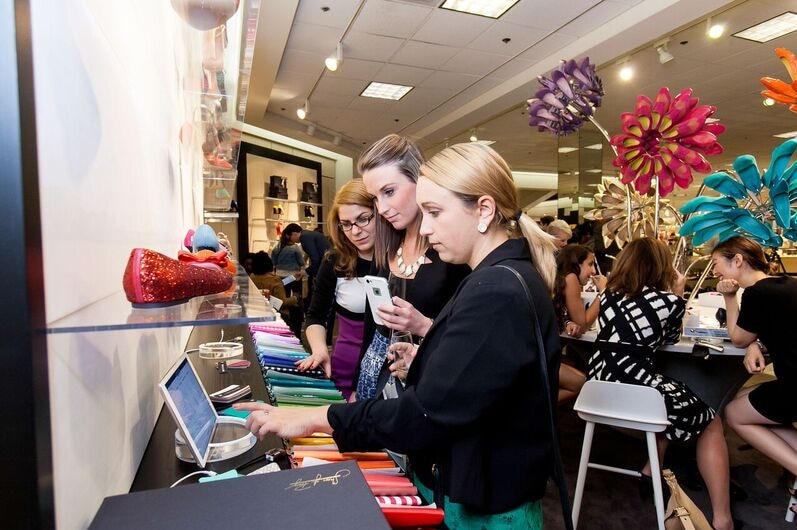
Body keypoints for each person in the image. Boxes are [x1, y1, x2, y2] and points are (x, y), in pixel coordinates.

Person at [236, 142, 561, 529]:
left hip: (488, 503)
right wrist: (425, 360)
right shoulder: (496, 277)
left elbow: (426, 414)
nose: (424, 227)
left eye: (435, 213)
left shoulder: (495, 289)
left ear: (484, 210)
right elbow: (478, 381)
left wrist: (313, 420)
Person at [587, 237, 733, 530]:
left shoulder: (608, 295)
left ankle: (650, 470)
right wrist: (677, 295)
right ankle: (722, 519)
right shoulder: (668, 301)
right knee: (711, 421)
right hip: (637, 390)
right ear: (661, 267)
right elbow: (667, 341)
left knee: (666, 399)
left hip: (597, 388)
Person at [354, 134, 469, 400]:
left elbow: (469, 342)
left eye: (389, 191)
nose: (382, 208)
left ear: (420, 180)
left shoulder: (450, 253)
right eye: (375, 198)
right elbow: (371, 329)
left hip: (428, 388)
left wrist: (424, 325)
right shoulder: (384, 248)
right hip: (375, 385)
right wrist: (356, 387)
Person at [717, 237, 797, 499]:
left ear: (737, 261)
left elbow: (738, 338)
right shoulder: (787, 285)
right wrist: (758, 343)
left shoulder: (756, 293)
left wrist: (729, 297)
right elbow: (775, 327)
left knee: (733, 413)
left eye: (717, 264)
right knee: (743, 399)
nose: (715, 271)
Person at [296, 180, 376, 399]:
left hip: (389, 378)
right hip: (344, 370)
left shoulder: (401, 260)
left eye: (363, 219)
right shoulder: (334, 261)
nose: (355, 231)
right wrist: (320, 349)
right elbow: (315, 317)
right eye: (346, 224)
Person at [552, 244, 607, 403]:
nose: (593, 271)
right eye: (590, 264)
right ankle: (533, 410)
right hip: (538, 358)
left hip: (540, 354)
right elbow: (582, 325)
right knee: (583, 383)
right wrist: (603, 293)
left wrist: (567, 321)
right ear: (576, 264)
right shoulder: (571, 278)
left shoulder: (562, 278)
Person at [249, 250, 302, 336]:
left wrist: (292, 278)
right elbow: (281, 303)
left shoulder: (252, 277)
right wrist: (295, 298)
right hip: (278, 315)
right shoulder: (274, 279)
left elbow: (275, 284)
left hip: (259, 312)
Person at [299, 226, 332, 311]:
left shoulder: (306, 238)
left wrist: (306, 270)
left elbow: (312, 259)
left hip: (317, 271)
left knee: (316, 294)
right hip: (318, 270)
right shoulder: (324, 242)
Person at [271, 223, 306, 298]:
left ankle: (286, 310)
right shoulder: (295, 247)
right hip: (294, 276)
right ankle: (296, 309)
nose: (299, 236)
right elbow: (301, 262)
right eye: (296, 234)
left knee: (284, 296)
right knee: (296, 296)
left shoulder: (277, 246)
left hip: (280, 276)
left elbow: (273, 262)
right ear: (289, 235)